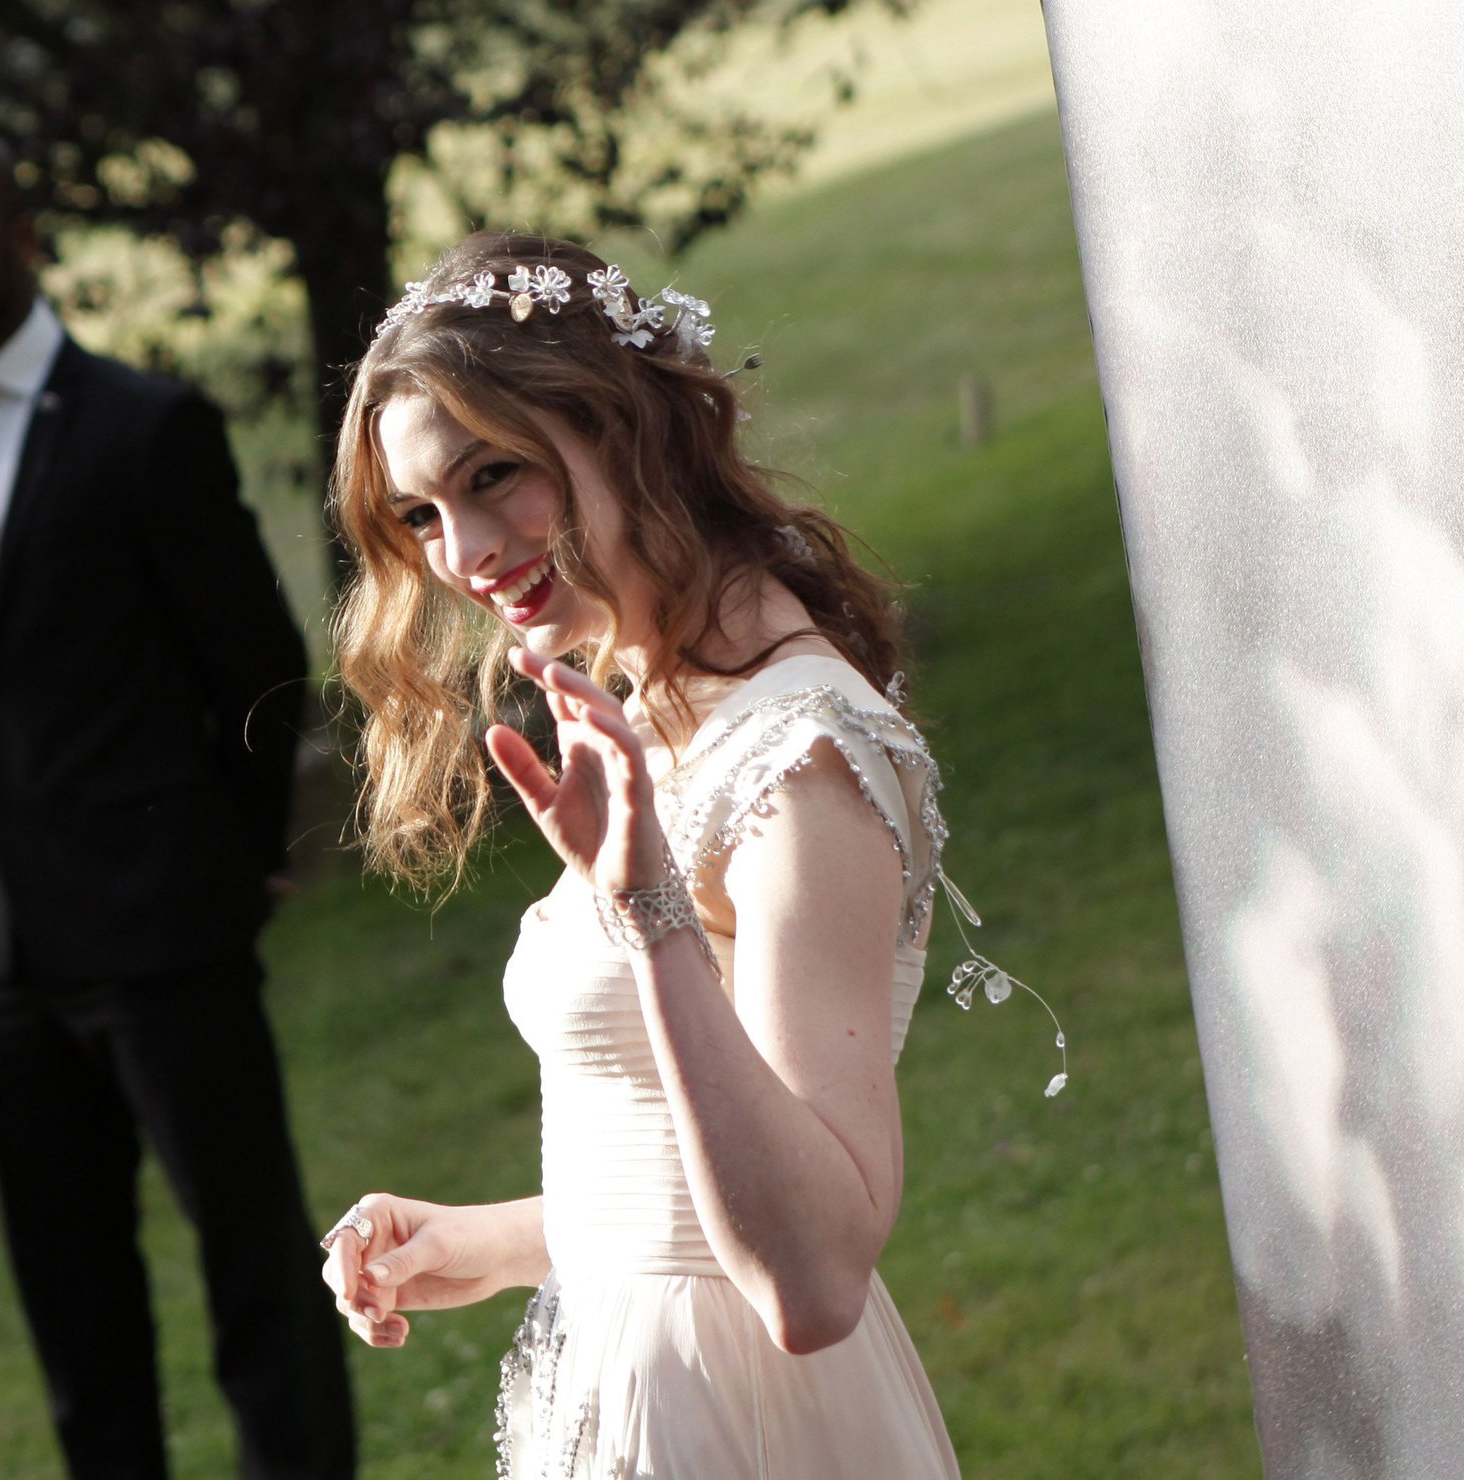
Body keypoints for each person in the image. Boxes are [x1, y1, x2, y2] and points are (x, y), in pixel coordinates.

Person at [319, 231, 963, 1475]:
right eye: (422, 514)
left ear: (625, 430)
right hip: (629, 1390)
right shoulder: (661, 699)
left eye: (494, 475)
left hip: (743, 1421)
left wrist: (650, 907)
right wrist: (485, 1242)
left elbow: (815, 1274)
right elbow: (688, 1179)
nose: (463, 552)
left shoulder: (799, 760)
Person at [0, 126, 354, 1480]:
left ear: (25, 239)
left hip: (166, 933)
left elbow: (257, 666)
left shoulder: (147, 429)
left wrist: (234, 861)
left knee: (258, 1273)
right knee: (75, 1318)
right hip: (3, 961)